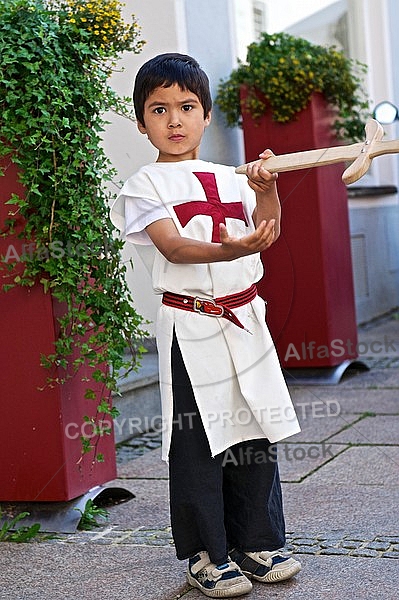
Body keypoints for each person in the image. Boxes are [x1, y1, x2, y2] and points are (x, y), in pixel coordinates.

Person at [110, 53, 301, 599]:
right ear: (142, 121)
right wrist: (226, 248)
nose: (175, 120)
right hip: (191, 327)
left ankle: (258, 542)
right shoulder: (145, 183)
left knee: (254, 429)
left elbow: (268, 227)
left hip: (244, 321)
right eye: (159, 109)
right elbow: (174, 245)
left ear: (207, 114)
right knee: (198, 440)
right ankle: (205, 552)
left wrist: (265, 187)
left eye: (187, 107)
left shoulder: (230, 176)